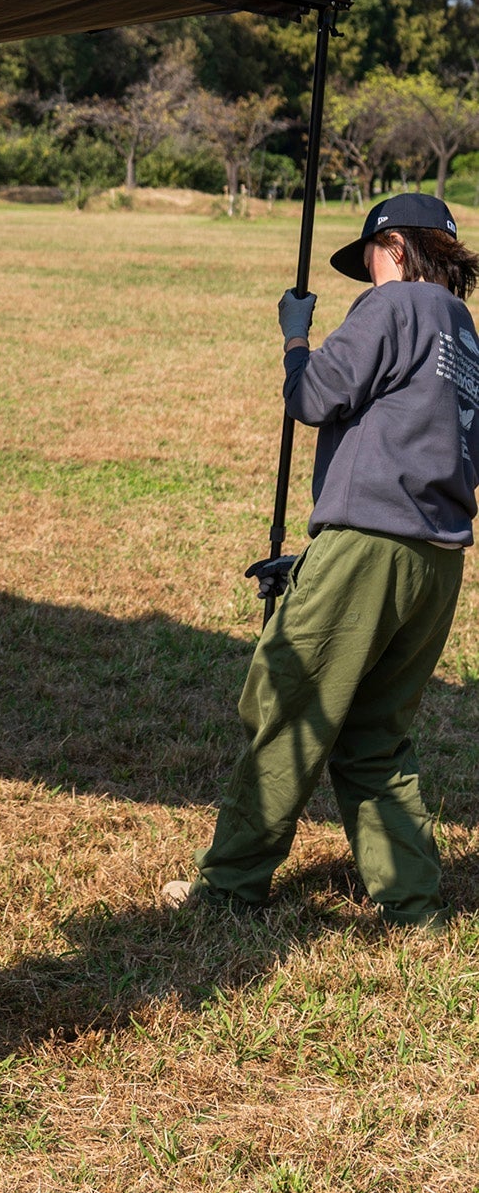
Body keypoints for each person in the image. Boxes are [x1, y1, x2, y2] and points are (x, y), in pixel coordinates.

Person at [164, 193, 479, 929]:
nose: (366, 275)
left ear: (396, 249)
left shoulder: (393, 307)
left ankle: (233, 885)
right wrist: (316, 564)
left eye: (368, 258)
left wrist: (296, 336)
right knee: (374, 735)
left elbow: (313, 398)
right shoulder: (464, 338)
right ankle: (412, 902)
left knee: (288, 706)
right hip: (436, 562)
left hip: (367, 547)